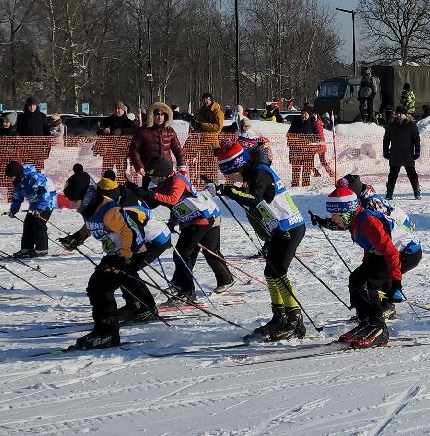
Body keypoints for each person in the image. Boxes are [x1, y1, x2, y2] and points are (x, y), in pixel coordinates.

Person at [59, 170, 169, 349]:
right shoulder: (91, 208)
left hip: (130, 253)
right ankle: (105, 330)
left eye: (74, 201)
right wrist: (78, 237)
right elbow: (92, 224)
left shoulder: (109, 210)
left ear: (86, 197)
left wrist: (124, 259)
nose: (72, 205)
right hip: (117, 253)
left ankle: (108, 332)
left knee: (102, 287)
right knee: (97, 287)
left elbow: (129, 232)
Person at [214, 136, 307, 341]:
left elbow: (254, 198)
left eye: (230, 174)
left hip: (290, 227)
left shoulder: (259, 173)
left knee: (279, 273)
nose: (231, 178)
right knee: (270, 273)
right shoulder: (254, 172)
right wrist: (230, 191)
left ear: (238, 166)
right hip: (279, 229)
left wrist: (228, 191)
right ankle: (279, 316)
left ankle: (294, 318)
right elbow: (251, 198)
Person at [311, 179, 422, 348]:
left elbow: (390, 252)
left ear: (345, 213)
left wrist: (396, 284)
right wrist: (365, 267)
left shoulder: (368, 221)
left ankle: (378, 327)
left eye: (334, 215)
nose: (333, 219)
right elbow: (370, 247)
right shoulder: (354, 221)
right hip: (390, 253)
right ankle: (366, 322)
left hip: (406, 253)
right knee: (356, 278)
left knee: (366, 282)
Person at [145, 154, 235, 303]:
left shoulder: (178, 180)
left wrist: (152, 194)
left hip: (203, 218)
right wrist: (172, 222)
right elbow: (176, 205)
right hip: (195, 219)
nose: (151, 179)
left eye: (152, 176)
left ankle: (187, 292)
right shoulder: (163, 184)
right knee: (191, 253)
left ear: (161, 174)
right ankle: (182, 283)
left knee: (183, 253)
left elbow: (173, 199)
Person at [5, 159, 56, 258]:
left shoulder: (33, 178)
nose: (10, 179)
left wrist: (40, 208)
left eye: (11, 176)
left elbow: (44, 193)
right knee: (28, 223)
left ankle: (42, 249)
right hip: (34, 202)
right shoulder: (17, 182)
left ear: (17, 174)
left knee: (38, 223)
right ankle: (26, 248)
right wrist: (13, 210)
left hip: (47, 200)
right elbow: (17, 198)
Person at [383, 109, 422, 200]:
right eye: (397, 114)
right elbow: (386, 140)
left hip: (407, 155)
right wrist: (385, 151)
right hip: (395, 155)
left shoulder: (411, 125)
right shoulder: (391, 126)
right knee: (392, 176)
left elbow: (416, 140)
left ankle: (417, 193)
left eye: (401, 114)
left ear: (405, 115)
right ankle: (389, 194)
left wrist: (417, 152)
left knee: (412, 175)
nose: (399, 115)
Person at [191, 92, 225, 180]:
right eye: (204, 100)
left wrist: (202, 125)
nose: (205, 102)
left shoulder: (217, 112)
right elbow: (199, 123)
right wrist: (195, 124)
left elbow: (218, 127)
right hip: (202, 140)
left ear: (211, 100)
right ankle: (203, 181)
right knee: (202, 162)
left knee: (212, 162)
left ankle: (213, 181)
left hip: (212, 141)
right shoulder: (201, 111)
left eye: (207, 99)